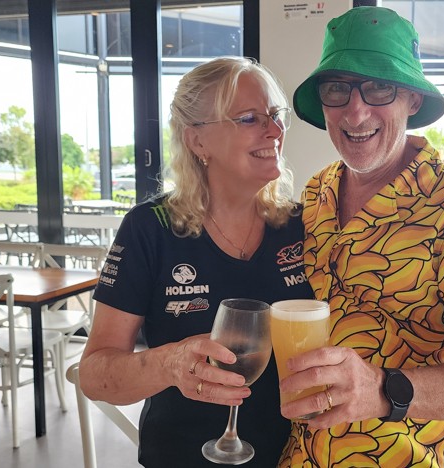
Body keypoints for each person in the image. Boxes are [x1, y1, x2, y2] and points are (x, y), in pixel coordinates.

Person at [277, 7, 444, 467]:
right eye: (337, 88)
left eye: (379, 87)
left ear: (412, 101)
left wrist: (381, 390)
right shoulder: (317, 193)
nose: (356, 111)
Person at [79, 56, 313, 467]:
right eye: (248, 118)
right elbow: (95, 376)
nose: (275, 131)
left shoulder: (301, 226)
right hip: (181, 456)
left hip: (291, 458)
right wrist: (168, 364)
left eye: (276, 116)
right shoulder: (149, 229)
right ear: (197, 142)